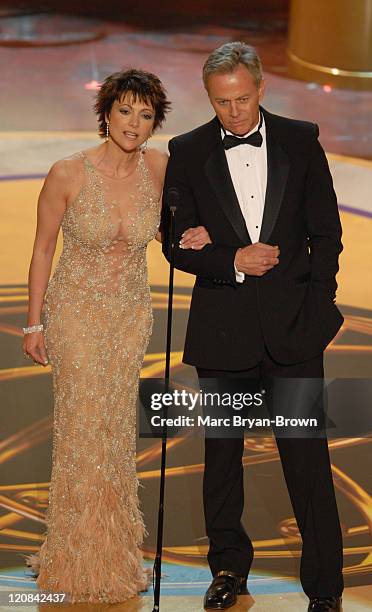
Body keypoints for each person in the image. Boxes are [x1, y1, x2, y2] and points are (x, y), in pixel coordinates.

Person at [162, 42, 344, 612]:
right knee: (221, 460)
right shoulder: (187, 152)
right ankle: (227, 570)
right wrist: (231, 261)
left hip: (295, 331)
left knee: (307, 462)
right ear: (209, 98)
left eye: (242, 99)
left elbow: (327, 232)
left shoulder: (300, 139)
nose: (234, 112)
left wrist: (318, 310)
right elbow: (176, 243)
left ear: (261, 88)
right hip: (223, 330)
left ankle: (324, 587)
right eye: (222, 102)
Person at [22, 68, 210, 604]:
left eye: (146, 114)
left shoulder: (160, 168)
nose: (134, 123)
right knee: (83, 432)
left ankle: (112, 551)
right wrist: (34, 322)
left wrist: (200, 233)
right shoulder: (67, 173)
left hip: (130, 317)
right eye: (125, 110)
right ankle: (74, 557)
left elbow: (171, 233)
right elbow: (42, 250)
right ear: (105, 113)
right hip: (77, 315)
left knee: (114, 437)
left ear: (156, 122)